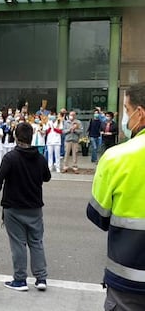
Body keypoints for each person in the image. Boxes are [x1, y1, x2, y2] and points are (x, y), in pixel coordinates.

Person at [87, 83, 145, 311]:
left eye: (126, 109)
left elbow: (97, 214)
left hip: (129, 281)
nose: (125, 117)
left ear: (140, 113)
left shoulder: (117, 157)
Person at [0, 122, 51, 292]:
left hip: (14, 208)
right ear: (32, 137)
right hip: (34, 207)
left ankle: (20, 280)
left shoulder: (11, 157)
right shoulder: (40, 158)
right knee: (36, 242)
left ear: (16, 137)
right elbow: (47, 177)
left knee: (18, 244)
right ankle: (41, 279)